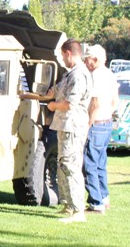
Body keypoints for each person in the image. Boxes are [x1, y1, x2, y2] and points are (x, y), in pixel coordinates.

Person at [47, 38, 92, 223]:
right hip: (64, 126)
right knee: (63, 165)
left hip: (73, 127)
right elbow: (55, 91)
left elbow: (69, 104)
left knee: (71, 167)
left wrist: (53, 106)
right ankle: (68, 206)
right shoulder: (70, 74)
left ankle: (77, 210)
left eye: (63, 55)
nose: (62, 60)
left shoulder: (78, 75)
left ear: (68, 53)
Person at [82, 44, 119, 214]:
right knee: (101, 163)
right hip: (107, 122)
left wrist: (88, 123)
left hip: (96, 124)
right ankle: (104, 198)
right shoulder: (110, 75)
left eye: (87, 58)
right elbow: (114, 101)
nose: (85, 61)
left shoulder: (95, 76)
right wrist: (107, 115)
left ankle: (96, 203)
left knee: (89, 163)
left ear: (95, 59)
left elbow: (95, 103)